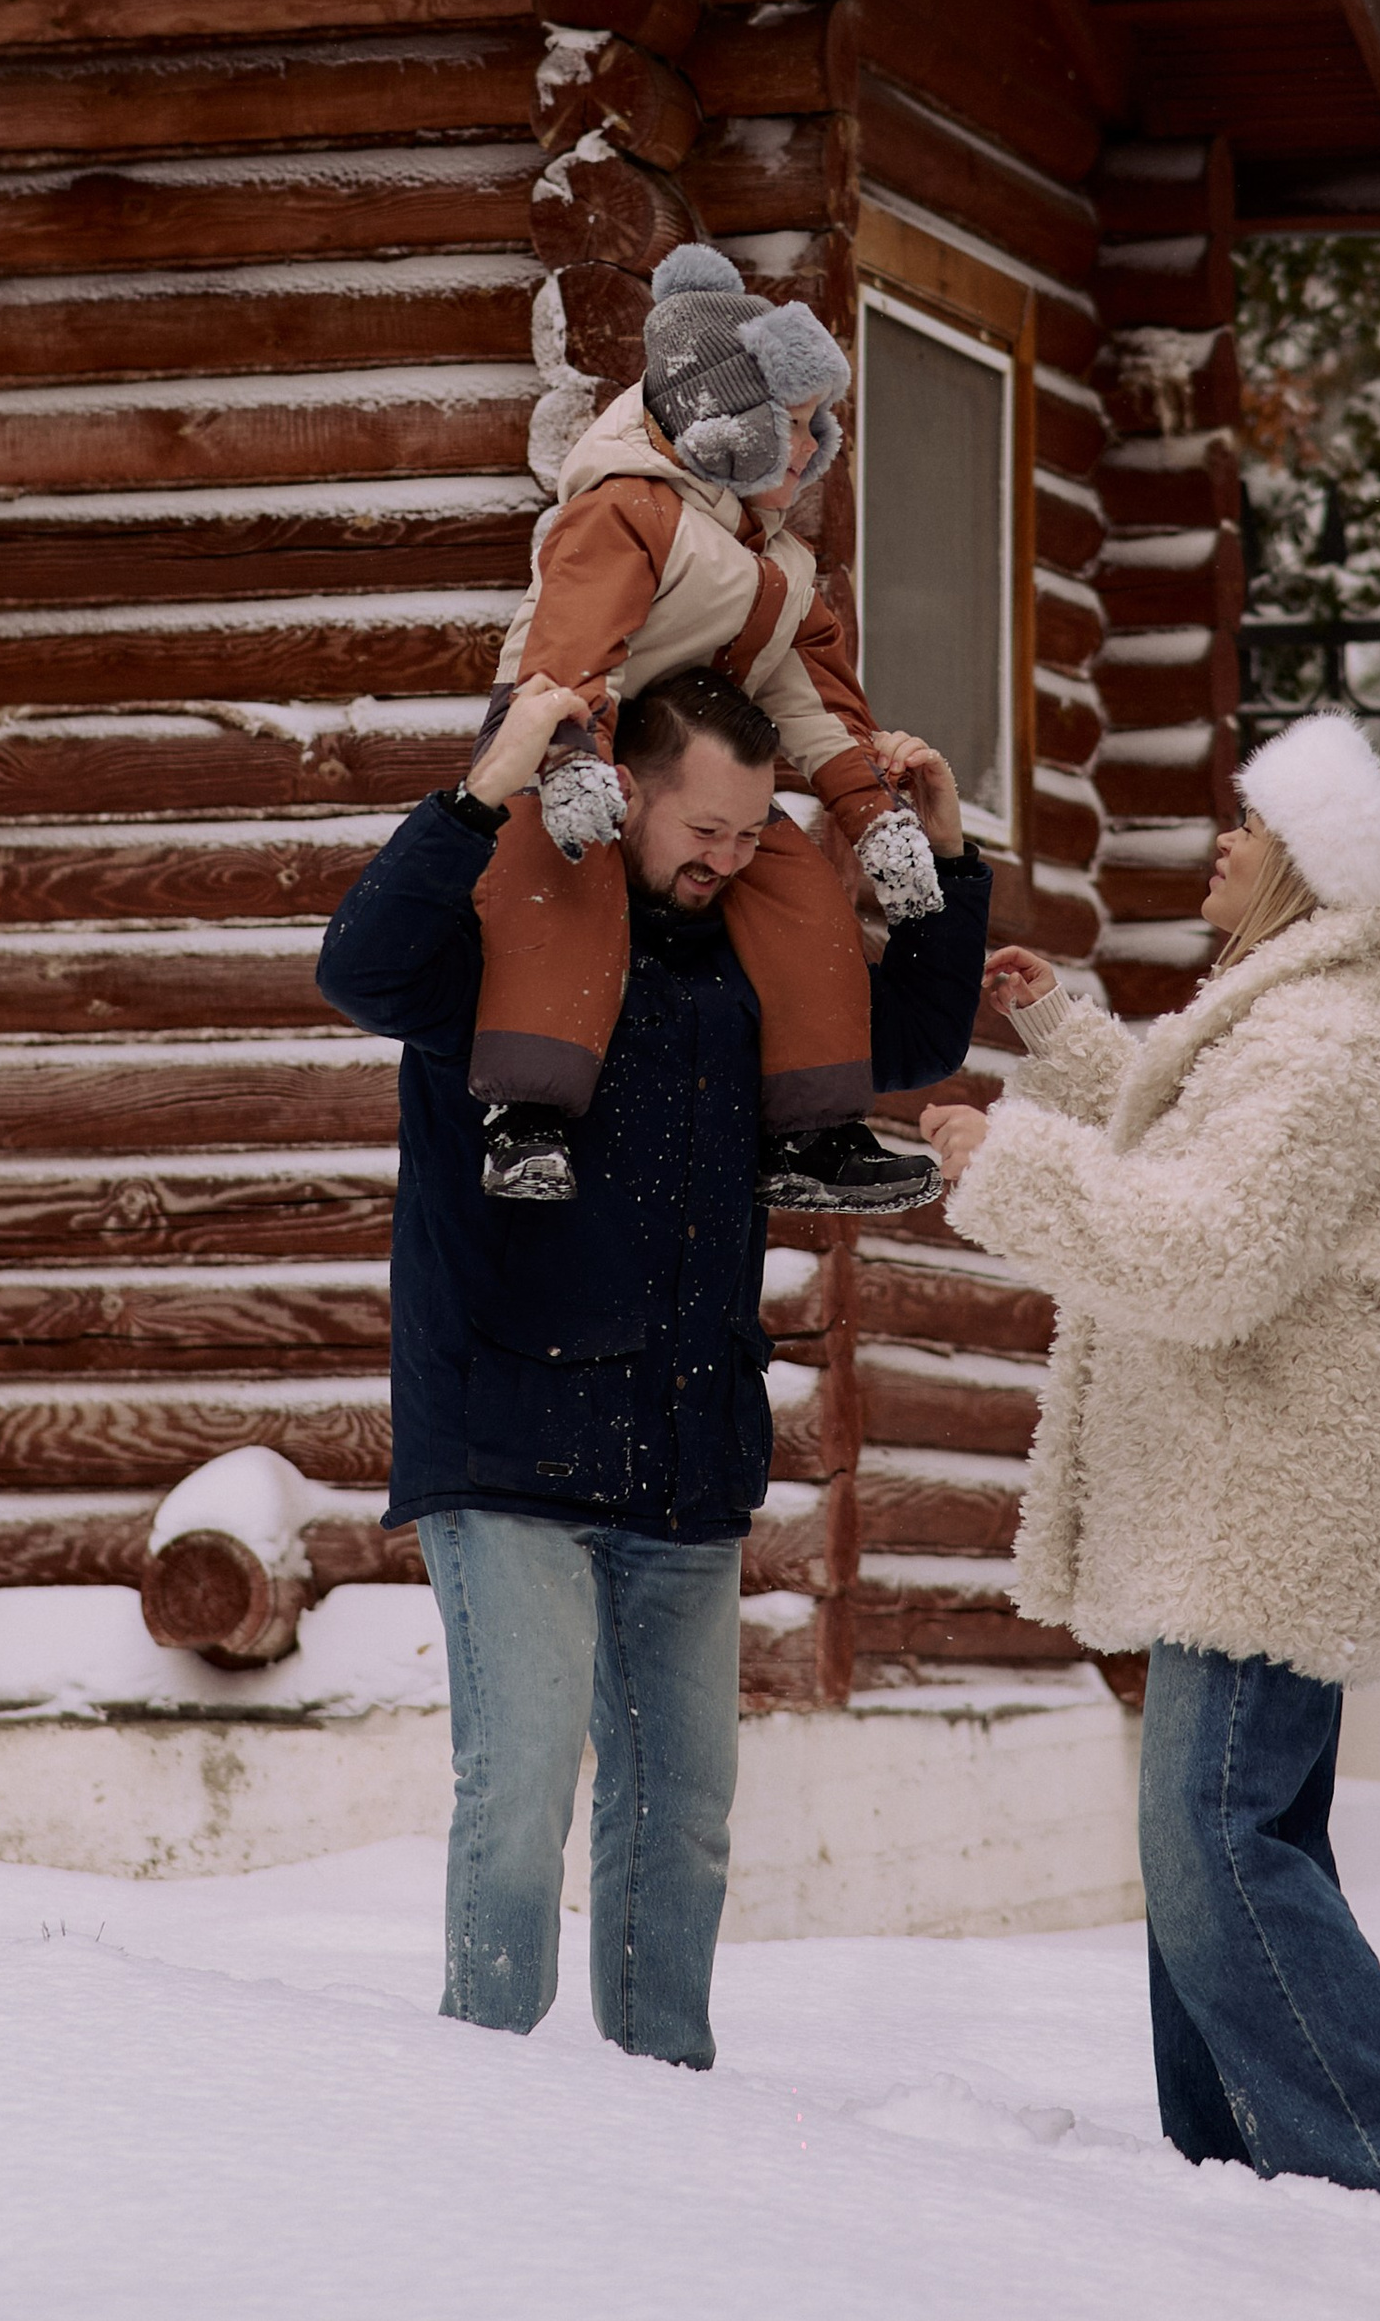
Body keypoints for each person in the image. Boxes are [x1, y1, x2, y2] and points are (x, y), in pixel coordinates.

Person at [921, 709, 1380, 2241]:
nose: (1222, 839)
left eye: (1252, 824)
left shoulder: (1333, 1043)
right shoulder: (1287, 1017)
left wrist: (997, 1164)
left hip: (1279, 1490)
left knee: (1215, 1836)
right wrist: (1065, 1040)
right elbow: (1201, 1143)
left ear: (1315, 870)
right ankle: (1236, 2176)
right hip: (1252, 1479)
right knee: (1221, 1834)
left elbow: (1204, 1248)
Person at [317, 659, 991, 2070]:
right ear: (625, 790)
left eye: (753, 836)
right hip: (507, 1429)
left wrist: (946, 856)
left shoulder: (744, 948)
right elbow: (360, 968)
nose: (726, 860)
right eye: (704, 831)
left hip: (685, 1443)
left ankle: (666, 2111)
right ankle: (481, 2094)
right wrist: (484, 784)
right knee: (518, 1798)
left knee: (680, 1810)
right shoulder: (513, 930)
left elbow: (907, 1042)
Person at [471, 243, 945, 1216]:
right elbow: (571, 643)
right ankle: (527, 1115)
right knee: (562, 875)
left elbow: (815, 693)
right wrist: (564, 760)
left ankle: (812, 1130)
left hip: (699, 757)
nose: (814, 451)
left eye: (822, 429)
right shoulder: (626, 510)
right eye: (795, 428)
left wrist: (871, 811)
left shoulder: (774, 557)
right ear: (730, 424)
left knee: (799, 891)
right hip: (563, 726)